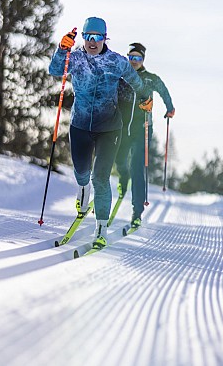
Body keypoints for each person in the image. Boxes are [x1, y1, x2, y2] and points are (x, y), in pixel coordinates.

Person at [49, 19, 152, 249]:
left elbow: (135, 81)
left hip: (109, 128)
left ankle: (101, 229)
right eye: (88, 36)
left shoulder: (116, 61)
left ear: (105, 38)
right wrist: (62, 49)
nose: (92, 42)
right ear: (83, 37)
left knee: (100, 178)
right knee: (81, 172)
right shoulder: (75, 58)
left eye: (98, 37)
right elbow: (55, 70)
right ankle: (83, 193)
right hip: (80, 125)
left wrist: (145, 97)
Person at [116, 42, 175, 228]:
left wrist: (170, 108)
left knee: (137, 167)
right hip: (121, 128)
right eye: (131, 57)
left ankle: (137, 212)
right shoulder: (121, 76)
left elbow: (164, 90)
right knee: (120, 161)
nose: (134, 61)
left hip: (142, 129)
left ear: (143, 60)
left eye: (138, 58)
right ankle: (123, 180)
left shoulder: (150, 79)